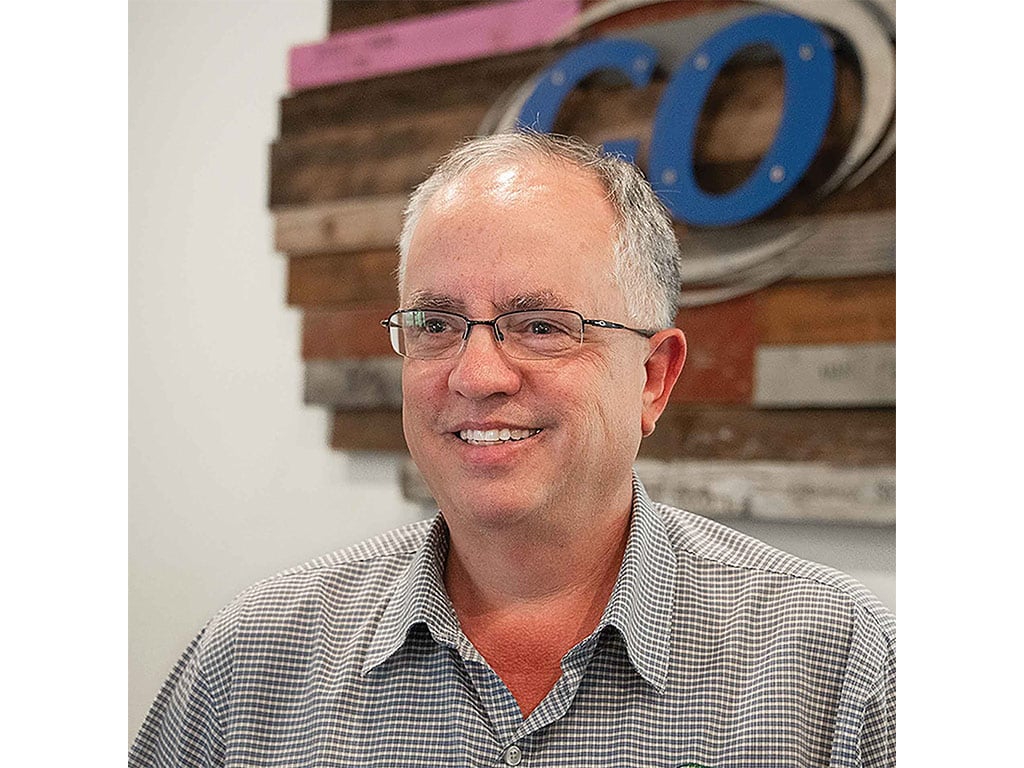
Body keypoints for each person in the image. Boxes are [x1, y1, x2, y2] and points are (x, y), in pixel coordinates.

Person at [130, 132, 895, 767]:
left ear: (653, 378)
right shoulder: (253, 661)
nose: (477, 375)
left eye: (540, 326)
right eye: (436, 324)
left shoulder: (837, 668)